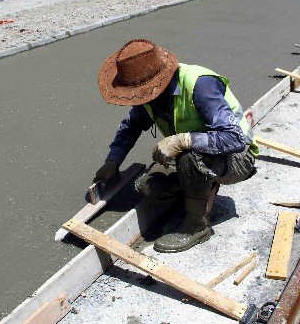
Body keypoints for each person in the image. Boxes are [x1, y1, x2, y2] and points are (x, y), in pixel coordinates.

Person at [93, 39, 258, 253]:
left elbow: (235, 139)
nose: (137, 98)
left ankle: (196, 226)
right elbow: (131, 126)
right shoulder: (149, 99)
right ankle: (200, 189)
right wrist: (112, 162)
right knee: (149, 188)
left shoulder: (200, 85)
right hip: (206, 157)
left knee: (189, 158)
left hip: (238, 158)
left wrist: (183, 141)